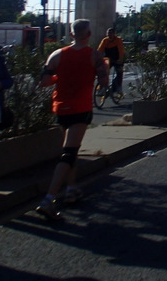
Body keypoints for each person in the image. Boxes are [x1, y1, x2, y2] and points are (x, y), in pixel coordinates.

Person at [35, 19, 109, 221]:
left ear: (71, 34)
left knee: (70, 149)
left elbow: (45, 81)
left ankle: (71, 188)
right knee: (69, 152)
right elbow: (104, 83)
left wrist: (61, 77)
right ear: (89, 34)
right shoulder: (95, 56)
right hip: (80, 108)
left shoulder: (56, 55)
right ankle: (48, 199)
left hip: (61, 108)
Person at [97, 27, 125, 98]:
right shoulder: (105, 40)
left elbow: (121, 51)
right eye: (108, 33)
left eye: (111, 33)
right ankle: (102, 87)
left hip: (117, 59)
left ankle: (119, 88)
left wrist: (120, 59)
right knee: (103, 72)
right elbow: (100, 50)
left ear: (114, 34)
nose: (109, 35)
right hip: (108, 59)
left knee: (119, 72)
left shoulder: (118, 40)